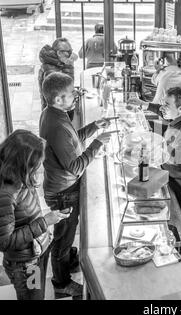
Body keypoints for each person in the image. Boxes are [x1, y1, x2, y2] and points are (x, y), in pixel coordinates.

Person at [0, 130, 71, 300]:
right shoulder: (1, 195)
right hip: (26, 265)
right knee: (34, 297)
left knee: (37, 292)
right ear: (22, 163)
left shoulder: (13, 174)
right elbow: (5, 242)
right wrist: (45, 222)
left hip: (35, 252)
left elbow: (22, 212)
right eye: (36, 164)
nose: (39, 167)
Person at [39, 72, 113, 297]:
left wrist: (93, 127)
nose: (75, 97)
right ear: (59, 99)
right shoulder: (57, 124)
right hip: (63, 192)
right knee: (62, 240)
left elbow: (72, 139)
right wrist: (97, 144)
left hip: (62, 187)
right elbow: (76, 167)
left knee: (67, 235)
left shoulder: (52, 114)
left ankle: (69, 261)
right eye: (71, 94)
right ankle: (61, 283)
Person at [134, 87, 181, 216]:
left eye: (167, 105)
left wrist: (157, 146)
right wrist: (145, 105)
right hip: (171, 176)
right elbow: (165, 111)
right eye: (164, 103)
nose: (163, 108)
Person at [38, 37, 78, 112]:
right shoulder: (50, 71)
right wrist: (69, 65)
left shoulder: (58, 63)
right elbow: (63, 94)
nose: (71, 55)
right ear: (59, 53)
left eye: (71, 51)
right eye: (68, 52)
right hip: (55, 114)